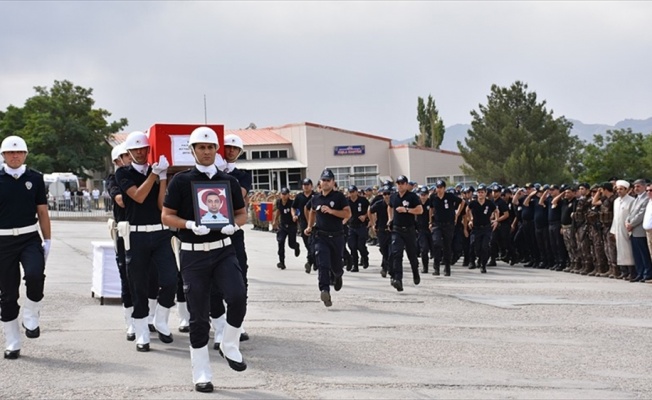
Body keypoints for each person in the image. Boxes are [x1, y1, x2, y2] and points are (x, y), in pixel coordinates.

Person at [162, 126, 248, 392]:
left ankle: (229, 343)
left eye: (211, 147)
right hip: (193, 255)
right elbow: (166, 216)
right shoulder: (180, 181)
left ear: (217, 150)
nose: (207, 151)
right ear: (193, 150)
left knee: (237, 296)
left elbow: (242, 214)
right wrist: (188, 224)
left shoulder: (229, 182)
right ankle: (201, 371)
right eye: (202, 147)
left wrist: (234, 225)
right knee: (198, 316)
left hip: (223, 249)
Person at [115, 130, 177, 352]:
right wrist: (154, 174)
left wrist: (162, 178)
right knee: (138, 285)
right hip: (137, 234)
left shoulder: (156, 171)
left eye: (144, 149)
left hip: (160, 233)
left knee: (171, 279)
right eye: (136, 150)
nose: (140, 153)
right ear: (129, 153)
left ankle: (160, 318)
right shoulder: (123, 173)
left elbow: (162, 205)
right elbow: (138, 196)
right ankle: (141, 331)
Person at [0, 135, 52, 359]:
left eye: (19, 152)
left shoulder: (36, 178)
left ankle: (31, 312)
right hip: (2, 241)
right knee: (8, 294)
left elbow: (42, 211)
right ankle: (12, 341)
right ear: (3, 155)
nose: (15, 156)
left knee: (35, 275)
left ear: (25, 154)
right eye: (10, 152)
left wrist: (48, 240)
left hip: (29, 237)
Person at [304, 169, 351, 307]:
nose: (325, 183)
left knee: (336, 266)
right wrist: (309, 226)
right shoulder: (316, 198)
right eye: (323, 180)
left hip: (336, 236)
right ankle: (325, 290)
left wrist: (332, 211)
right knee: (322, 264)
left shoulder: (339, 197)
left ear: (333, 182)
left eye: (328, 180)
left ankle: (338, 275)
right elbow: (312, 211)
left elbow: (347, 213)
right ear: (320, 182)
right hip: (321, 236)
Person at [106, 144, 135, 341]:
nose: (130, 157)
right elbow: (121, 199)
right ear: (117, 161)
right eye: (125, 155)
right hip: (125, 233)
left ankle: (148, 317)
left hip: (146, 232)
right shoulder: (113, 179)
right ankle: (130, 321)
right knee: (127, 277)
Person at [387, 175, 423, 291]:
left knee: (412, 255)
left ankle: (415, 272)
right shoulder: (394, 197)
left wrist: (406, 210)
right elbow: (390, 207)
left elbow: (420, 210)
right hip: (397, 230)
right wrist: (390, 218)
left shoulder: (412, 197)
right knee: (397, 254)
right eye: (398, 183)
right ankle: (398, 279)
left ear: (407, 184)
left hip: (409, 229)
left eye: (402, 183)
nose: (400, 185)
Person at [428, 180, 459, 276]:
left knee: (447, 246)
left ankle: (447, 267)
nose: (439, 189)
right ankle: (436, 267)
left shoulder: (449, 196)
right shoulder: (433, 197)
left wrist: (456, 215)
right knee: (436, 243)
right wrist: (430, 221)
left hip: (448, 224)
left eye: (441, 187)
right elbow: (431, 209)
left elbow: (461, 202)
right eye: (438, 187)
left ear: (444, 188)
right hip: (437, 224)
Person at [467, 184, 498, 273]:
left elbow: (496, 211)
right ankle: (474, 260)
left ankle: (483, 265)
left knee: (485, 246)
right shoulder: (473, 203)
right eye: (479, 192)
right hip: (476, 228)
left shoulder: (489, 203)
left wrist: (496, 220)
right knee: (474, 245)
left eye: (482, 192)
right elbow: (467, 210)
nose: (480, 194)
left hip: (486, 228)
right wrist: (470, 219)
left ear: (485, 193)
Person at [625, 179, 651, 282]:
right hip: (633, 231)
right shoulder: (636, 199)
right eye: (635, 186)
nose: (636, 188)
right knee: (636, 254)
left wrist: (631, 224)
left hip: (640, 231)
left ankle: (647, 273)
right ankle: (639, 273)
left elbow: (641, 214)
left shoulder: (646, 199)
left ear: (644, 187)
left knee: (643, 254)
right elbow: (630, 214)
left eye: (638, 186)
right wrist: (627, 222)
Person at [610, 180, 635, 280]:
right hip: (618, 229)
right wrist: (614, 230)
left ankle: (631, 272)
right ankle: (623, 271)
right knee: (620, 250)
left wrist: (630, 229)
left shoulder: (631, 200)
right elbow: (615, 217)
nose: (619, 191)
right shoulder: (616, 201)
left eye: (621, 189)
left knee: (628, 251)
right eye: (617, 189)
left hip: (627, 229)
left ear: (626, 190)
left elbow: (632, 215)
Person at [273, 187, 300, 270]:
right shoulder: (278, 202)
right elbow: (278, 211)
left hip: (292, 225)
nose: (284, 196)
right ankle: (282, 262)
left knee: (291, 244)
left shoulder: (292, 203)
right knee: (280, 242)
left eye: (285, 194)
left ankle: (296, 246)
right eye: (283, 194)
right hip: (283, 225)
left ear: (288, 195)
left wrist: (296, 217)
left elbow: (298, 211)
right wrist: (275, 220)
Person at [345, 185, 370, 272]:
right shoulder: (347, 201)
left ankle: (365, 257)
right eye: (350, 192)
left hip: (361, 226)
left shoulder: (362, 200)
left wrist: (365, 216)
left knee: (360, 246)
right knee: (352, 246)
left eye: (353, 192)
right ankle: (355, 265)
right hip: (351, 226)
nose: (352, 194)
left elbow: (369, 210)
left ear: (356, 192)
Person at [293, 178, 316, 273]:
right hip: (303, 222)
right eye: (304, 184)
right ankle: (313, 260)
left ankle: (310, 262)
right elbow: (293, 208)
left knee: (313, 243)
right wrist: (294, 215)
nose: (306, 186)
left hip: (315, 223)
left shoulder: (316, 196)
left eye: (308, 184)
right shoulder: (299, 197)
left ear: (311, 185)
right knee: (307, 243)